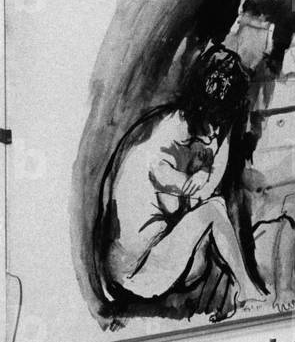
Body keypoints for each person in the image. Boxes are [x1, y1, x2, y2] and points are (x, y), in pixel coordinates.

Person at [97, 45, 268, 321]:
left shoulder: (178, 126)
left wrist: (210, 159)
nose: (214, 132)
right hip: (136, 272)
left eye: (220, 123)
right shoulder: (171, 131)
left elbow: (192, 191)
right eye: (213, 121)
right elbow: (179, 181)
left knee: (203, 249)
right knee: (214, 209)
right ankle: (248, 289)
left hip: (132, 266)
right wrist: (198, 176)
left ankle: (240, 289)